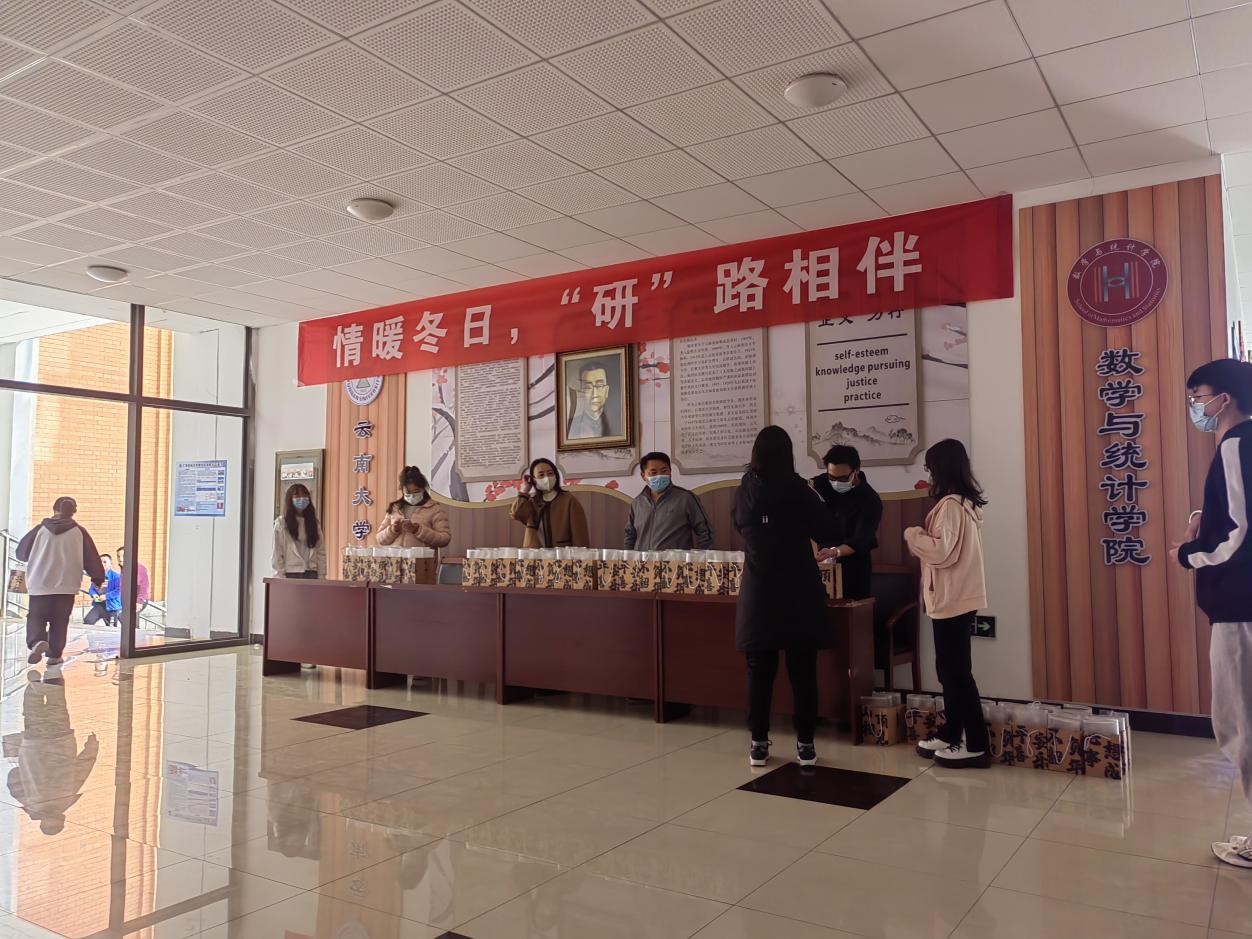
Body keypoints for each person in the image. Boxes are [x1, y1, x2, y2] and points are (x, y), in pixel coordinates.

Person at [1173, 358, 1252, 868]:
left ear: (1225, 398)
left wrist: (1189, 554)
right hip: (1241, 603)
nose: (1196, 406)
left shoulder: (1236, 444)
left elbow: (1242, 532)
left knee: (1240, 721)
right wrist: (1206, 520)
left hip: (1240, 605)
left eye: (1199, 396)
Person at [734, 426, 837, 769]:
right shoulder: (799, 489)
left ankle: (758, 744)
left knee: (758, 671)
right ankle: (805, 745)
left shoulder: (746, 489)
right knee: (802, 670)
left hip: (759, 589)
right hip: (798, 588)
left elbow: (740, 526)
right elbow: (827, 531)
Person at [905, 439, 990, 769]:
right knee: (950, 671)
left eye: (930, 468)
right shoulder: (963, 504)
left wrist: (913, 535)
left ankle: (976, 744)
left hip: (952, 598)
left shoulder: (951, 506)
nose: (929, 474)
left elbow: (941, 553)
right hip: (956, 597)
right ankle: (952, 732)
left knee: (956, 674)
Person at [15, 497, 106, 667]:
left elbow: (21, 553)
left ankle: (36, 642)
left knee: (36, 616)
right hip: (67, 585)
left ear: (54, 509)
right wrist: (97, 578)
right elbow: (92, 558)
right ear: (73, 512)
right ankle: (55, 655)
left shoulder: (40, 530)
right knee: (60, 621)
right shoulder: (80, 532)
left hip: (40, 583)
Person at [4, 680, 98, 835]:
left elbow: (82, 769)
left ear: (62, 817)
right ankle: (35, 685)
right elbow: (13, 777)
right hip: (36, 744)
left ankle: (49, 679)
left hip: (60, 741)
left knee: (56, 705)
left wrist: (92, 748)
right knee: (33, 712)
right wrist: (27, 768)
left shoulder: (66, 798)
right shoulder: (29, 801)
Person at [811, 445, 883, 600]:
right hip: (824, 564)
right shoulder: (823, 482)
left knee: (851, 609)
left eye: (843, 478)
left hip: (854, 568)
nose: (836, 482)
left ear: (856, 470)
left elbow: (861, 540)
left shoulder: (870, 499)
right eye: (832, 478)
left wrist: (834, 552)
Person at [623, 451, 713, 551]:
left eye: (664, 471)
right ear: (643, 475)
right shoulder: (637, 503)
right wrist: (628, 557)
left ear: (670, 472)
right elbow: (630, 535)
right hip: (642, 560)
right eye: (653, 472)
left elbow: (705, 533)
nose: (659, 475)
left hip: (675, 560)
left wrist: (697, 557)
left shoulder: (686, 498)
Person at [510, 458, 589, 548]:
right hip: (535, 553)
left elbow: (579, 534)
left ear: (556, 475)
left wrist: (580, 554)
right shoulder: (532, 501)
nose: (547, 478)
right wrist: (526, 490)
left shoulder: (569, 500)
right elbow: (516, 514)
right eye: (541, 475)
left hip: (561, 553)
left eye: (550, 473)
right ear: (534, 480)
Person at [377, 466, 452, 554]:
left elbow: (444, 539)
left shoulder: (434, 509)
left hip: (422, 560)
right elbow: (379, 539)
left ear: (423, 489)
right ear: (402, 490)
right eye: (408, 493)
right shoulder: (395, 508)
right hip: (396, 560)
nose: (412, 496)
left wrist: (417, 530)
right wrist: (393, 530)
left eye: (416, 492)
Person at [272, 483, 327, 580]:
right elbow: (277, 553)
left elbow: (320, 551)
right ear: (290, 499)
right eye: (297, 495)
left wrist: (322, 576)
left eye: (305, 495)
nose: (302, 498)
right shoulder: (281, 523)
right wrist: (280, 577)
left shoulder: (314, 523)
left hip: (311, 572)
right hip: (290, 573)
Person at [567, 361, 614, 440]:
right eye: (588, 387)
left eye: (599, 386)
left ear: (606, 391)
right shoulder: (570, 426)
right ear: (581, 392)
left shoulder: (618, 424)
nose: (594, 394)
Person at [116, 545, 150, 630]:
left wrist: (139, 601)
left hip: (138, 599)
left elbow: (144, 586)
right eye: (118, 556)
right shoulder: (124, 568)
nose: (120, 559)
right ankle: (135, 634)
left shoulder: (140, 569)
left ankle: (136, 635)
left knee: (126, 619)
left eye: (123, 556)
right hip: (128, 600)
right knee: (131, 622)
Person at [87, 554, 122, 628]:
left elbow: (119, 590)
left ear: (110, 564)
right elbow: (92, 589)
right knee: (88, 621)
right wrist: (93, 594)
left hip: (112, 606)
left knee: (111, 628)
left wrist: (106, 596)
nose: (102, 564)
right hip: (99, 604)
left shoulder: (117, 576)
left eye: (105, 562)